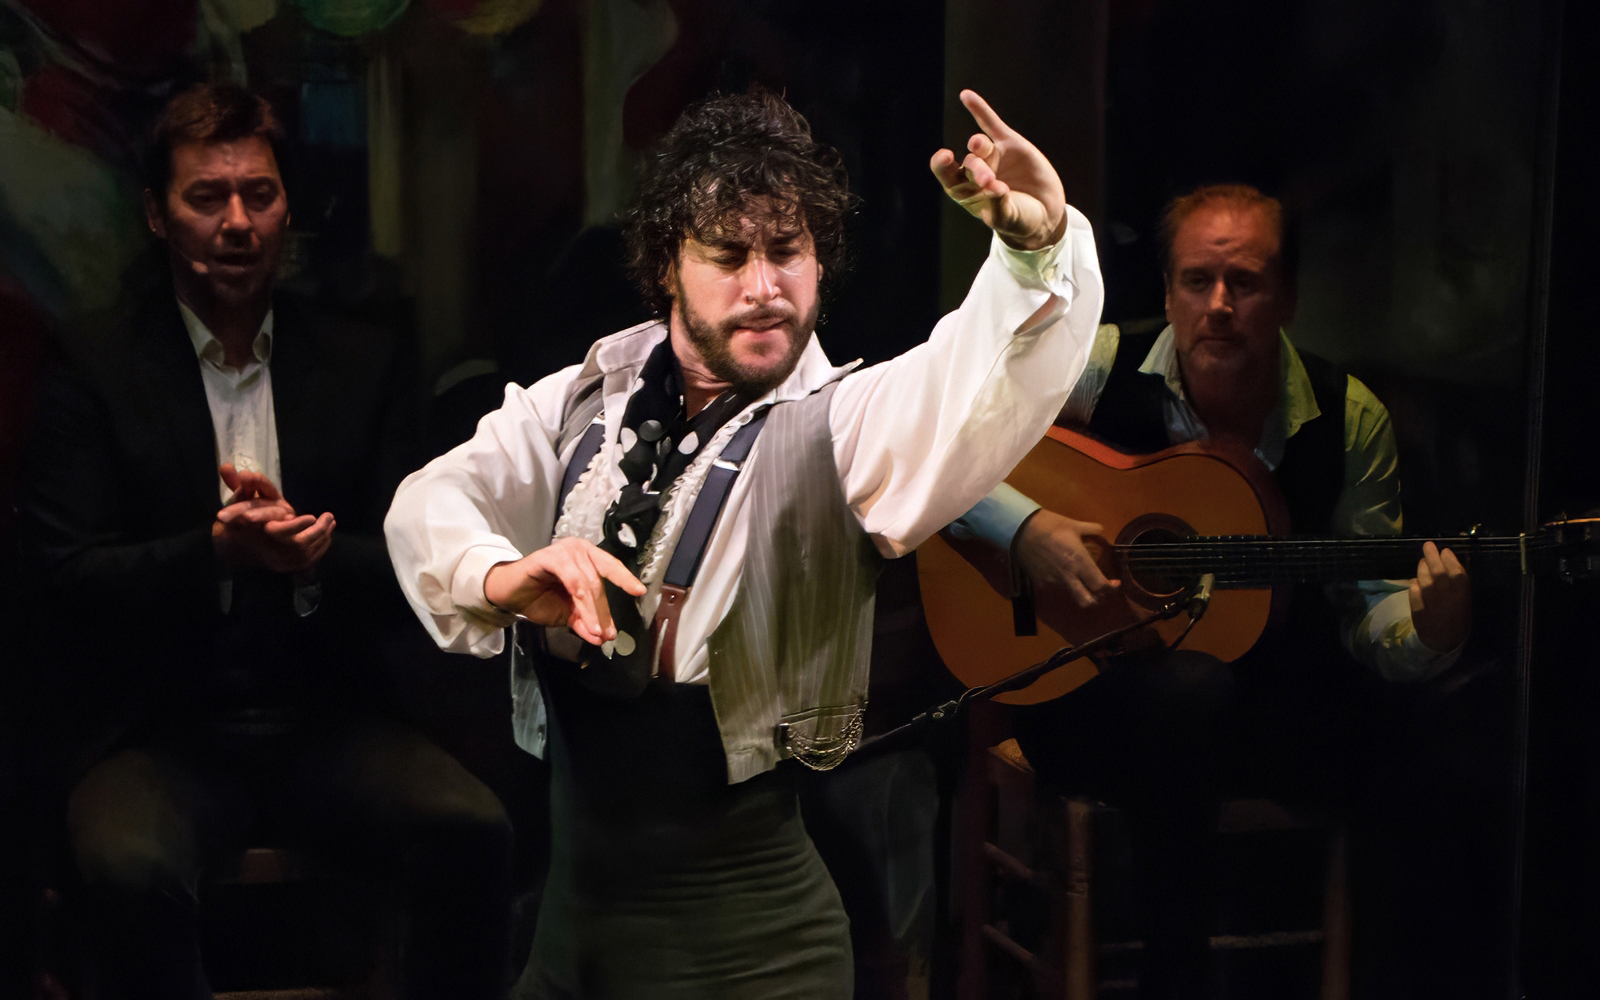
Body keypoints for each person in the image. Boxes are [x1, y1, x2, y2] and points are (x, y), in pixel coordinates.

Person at [383, 86, 1103, 999]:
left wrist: (1034, 252)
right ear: (666, 270)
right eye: (727, 255)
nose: (764, 287)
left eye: (787, 251)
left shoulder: (841, 423)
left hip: (752, 961)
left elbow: (976, 377)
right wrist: (501, 572)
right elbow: (431, 499)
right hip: (570, 954)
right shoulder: (582, 402)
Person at [18, 83, 512, 1000]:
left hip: (328, 720)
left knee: (471, 828)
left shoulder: (363, 360)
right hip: (158, 729)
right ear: (158, 216)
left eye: (259, 195)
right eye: (207, 198)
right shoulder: (95, 365)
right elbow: (65, 578)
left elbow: (421, 570)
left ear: (288, 207)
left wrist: (315, 558)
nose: (237, 222)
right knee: (125, 866)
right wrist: (216, 552)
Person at [951, 183, 1473, 998]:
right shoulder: (1098, 369)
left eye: (1247, 284)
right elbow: (949, 448)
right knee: (1189, 696)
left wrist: (1427, 630)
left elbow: (1368, 609)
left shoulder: (1345, 417)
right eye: (1198, 282)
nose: (1219, 306)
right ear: (1167, 293)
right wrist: (1029, 530)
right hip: (1087, 697)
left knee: (1405, 736)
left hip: (1260, 719)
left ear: (1289, 297)